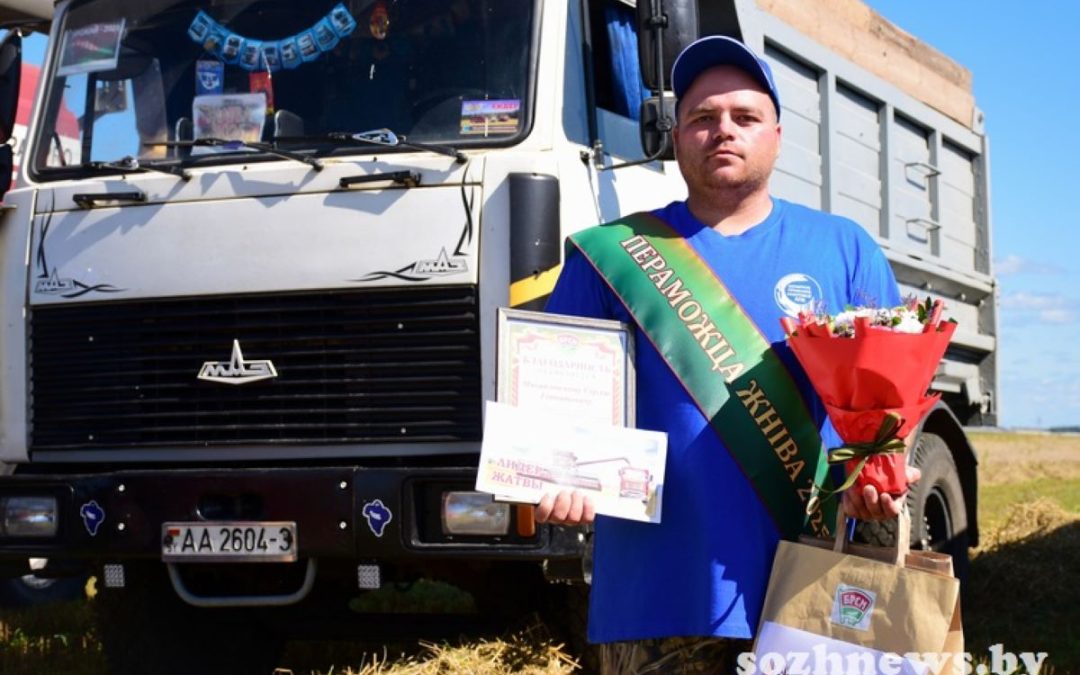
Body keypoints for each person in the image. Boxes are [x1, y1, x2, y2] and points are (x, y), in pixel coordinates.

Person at [536, 35, 920, 674]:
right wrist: (558, 472)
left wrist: (879, 476)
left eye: (744, 117)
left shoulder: (844, 248)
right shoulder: (610, 256)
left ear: (776, 134)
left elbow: (890, 413)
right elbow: (556, 412)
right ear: (676, 136)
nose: (723, 131)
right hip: (654, 602)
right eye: (702, 118)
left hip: (813, 596)